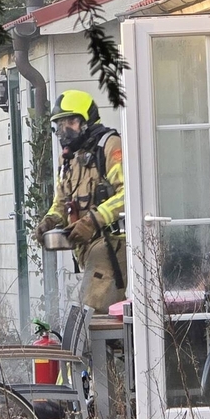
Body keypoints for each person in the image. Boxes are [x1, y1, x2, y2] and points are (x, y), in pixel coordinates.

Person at [33, 90, 128, 313]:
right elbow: (61, 202)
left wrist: (93, 220)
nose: (64, 130)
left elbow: (127, 195)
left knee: (89, 313)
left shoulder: (110, 146)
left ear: (87, 121)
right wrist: (49, 221)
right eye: (60, 124)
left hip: (113, 244)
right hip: (86, 249)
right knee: (94, 315)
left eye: (71, 122)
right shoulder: (67, 160)